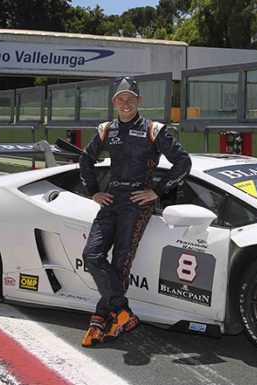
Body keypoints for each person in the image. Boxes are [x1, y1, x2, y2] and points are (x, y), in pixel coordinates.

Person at [79, 76, 191, 346]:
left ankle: (101, 316)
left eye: (130, 99)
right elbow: (85, 159)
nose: (125, 103)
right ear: (114, 102)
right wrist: (94, 191)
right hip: (112, 199)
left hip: (138, 203)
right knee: (91, 254)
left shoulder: (155, 130)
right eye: (121, 99)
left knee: (120, 263)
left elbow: (183, 162)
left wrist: (158, 190)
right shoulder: (107, 129)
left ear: (139, 101)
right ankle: (122, 312)